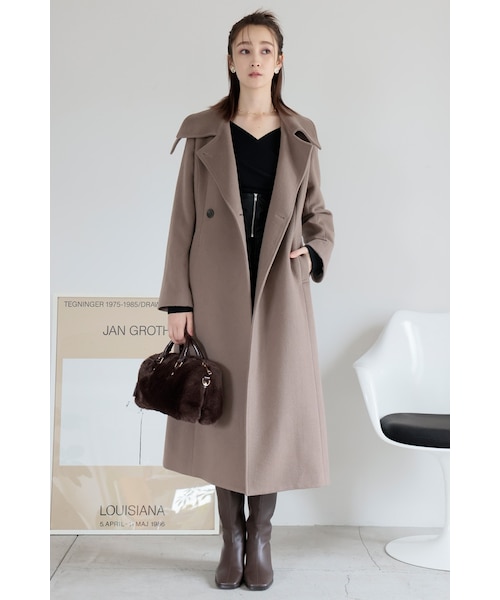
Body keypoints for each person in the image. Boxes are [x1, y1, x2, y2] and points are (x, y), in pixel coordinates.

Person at [158, 10, 334, 591]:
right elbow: (182, 223)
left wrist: (313, 252)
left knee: (274, 416)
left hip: (279, 287)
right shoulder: (204, 133)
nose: (254, 58)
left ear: (279, 62)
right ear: (230, 61)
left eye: (264, 49)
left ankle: (261, 535)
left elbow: (319, 215)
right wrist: (178, 303)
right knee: (224, 413)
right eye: (243, 48)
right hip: (217, 291)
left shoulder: (301, 135)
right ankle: (230, 537)